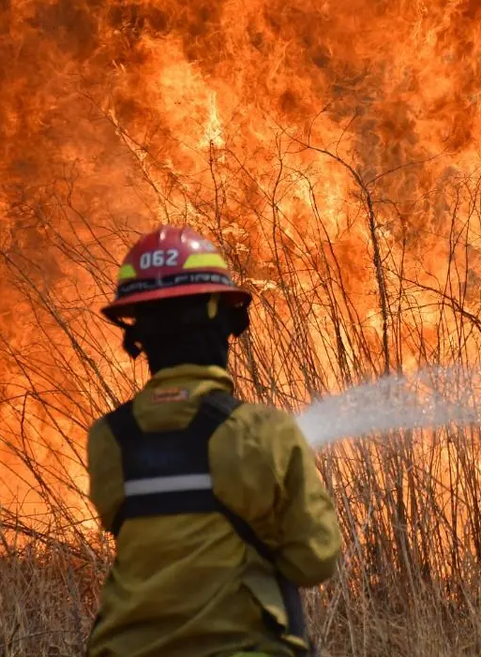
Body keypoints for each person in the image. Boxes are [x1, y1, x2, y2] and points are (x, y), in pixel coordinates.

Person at [85, 224, 341, 657]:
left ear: (138, 333)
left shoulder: (108, 439)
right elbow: (313, 560)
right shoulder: (263, 432)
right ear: (220, 318)